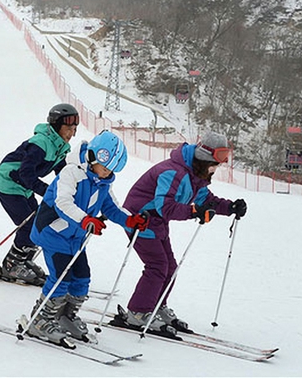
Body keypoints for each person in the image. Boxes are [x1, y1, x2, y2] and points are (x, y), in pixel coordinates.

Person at [115, 131, 247, 335]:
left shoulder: (197, 176)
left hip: (157, 224)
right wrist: (194, 211)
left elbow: (206, 200)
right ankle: (138, 312)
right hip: (140, 220)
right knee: (157, 266)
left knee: (170, 267)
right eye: (214, 164)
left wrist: (230, 207)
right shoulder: (173, 172)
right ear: (204, 159)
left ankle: (157, 304)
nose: (215, 169)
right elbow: (164, 206)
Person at [25, 131, 149, 345]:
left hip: (75, 238)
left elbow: (111, 207)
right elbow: (63, 203)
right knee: (61, 278)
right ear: (92, 157)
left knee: (82, 278)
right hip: (54, 232)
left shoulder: (102, 181)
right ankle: (41, 319)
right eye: (105, 167)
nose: (107, 173)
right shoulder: (71, 173)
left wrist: (130, 221)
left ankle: (66, 317)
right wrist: (85, 220)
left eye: (111, 170)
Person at [0, 103, 79, 286]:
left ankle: (23, 261)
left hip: (22, 186)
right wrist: (47, 191)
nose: (72, 133)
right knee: (28, 225)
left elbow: (62, 174)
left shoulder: (59, 146)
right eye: (68, 128)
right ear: (56, 126)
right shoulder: (41, 143)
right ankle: (13, 265)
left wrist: (71, 192)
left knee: (39, 223)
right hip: (8, 183)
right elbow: (25, 173)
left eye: (74, 128)